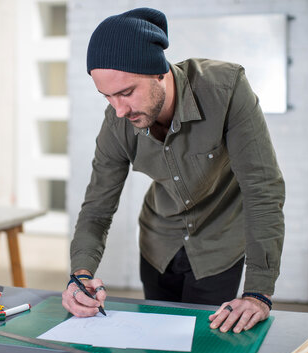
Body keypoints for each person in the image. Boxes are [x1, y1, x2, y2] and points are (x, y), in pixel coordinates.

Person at [61, 7, 285, 333]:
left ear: (158, 72)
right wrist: (80, 274)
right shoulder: (117, 123)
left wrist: (258, 292)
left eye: (126, 92)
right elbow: (97, 208)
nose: (119, 110)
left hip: (219, 245)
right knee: (161, 341)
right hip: (158, 246)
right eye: (107, 97)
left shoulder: (226, 90)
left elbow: (262, 188)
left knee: (207, 344)